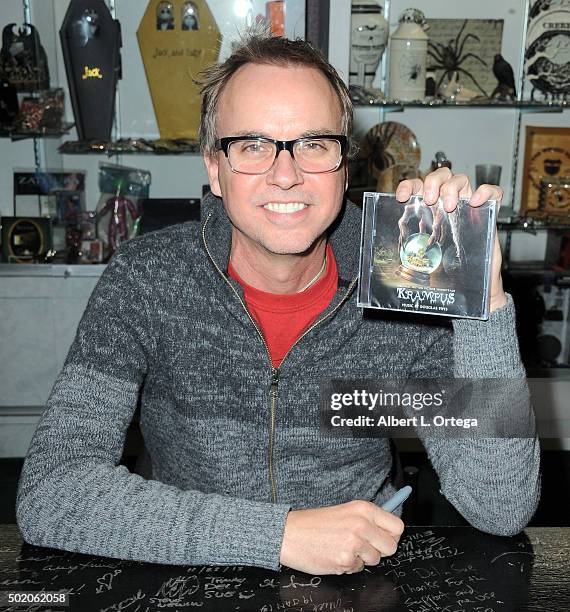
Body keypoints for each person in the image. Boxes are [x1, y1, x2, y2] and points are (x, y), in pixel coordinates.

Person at [16, 33, 540, 576]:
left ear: (344, 166)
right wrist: (279, 536)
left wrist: (483, 299)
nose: (286, 174)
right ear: (214, 169)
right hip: (188, 572)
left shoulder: (400, 280)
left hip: (359, 582)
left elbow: (500, 507)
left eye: (313, 143)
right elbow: (52, 489)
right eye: (252, 145)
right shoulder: (147, 279)